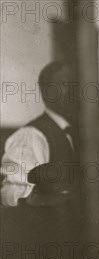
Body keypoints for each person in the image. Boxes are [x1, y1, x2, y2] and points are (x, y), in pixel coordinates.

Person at [1, 61, 77, 206]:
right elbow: (12, 192)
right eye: (64, 83)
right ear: (45, 90)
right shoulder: (31, 135)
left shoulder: (76, 134)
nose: (73, 90)